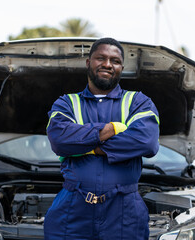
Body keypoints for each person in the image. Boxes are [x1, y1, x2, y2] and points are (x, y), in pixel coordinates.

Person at [44, 38, 160, 240]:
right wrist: (111, 128)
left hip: (125, 212)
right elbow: (60, 140)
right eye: (101, 58)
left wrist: (89, 147)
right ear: (89, 63)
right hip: (72, 209)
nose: (107, 64)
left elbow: (146, 141)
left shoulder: (138, 102)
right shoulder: (66, 103)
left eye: (115, 61)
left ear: (121, 67)